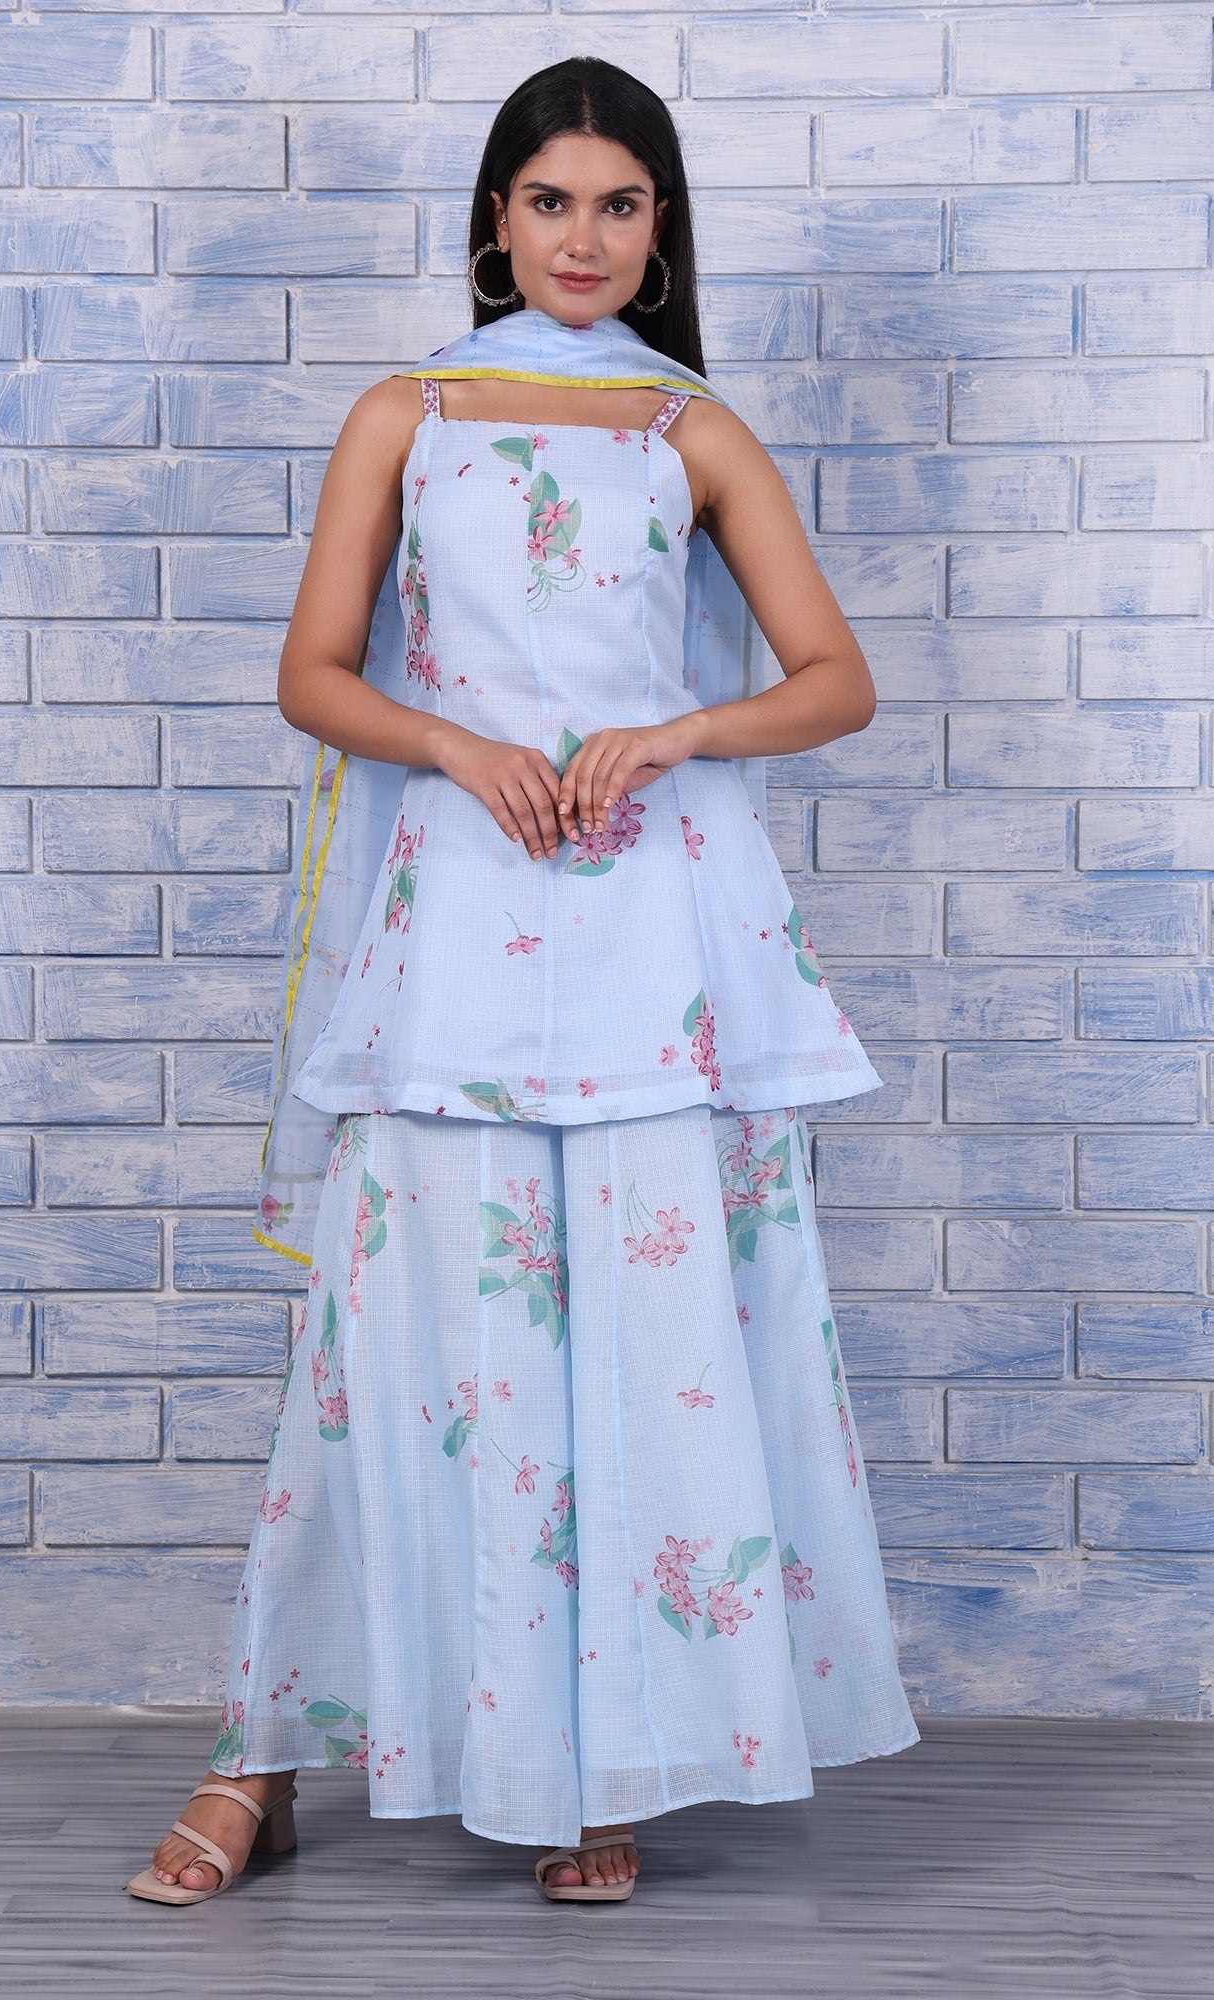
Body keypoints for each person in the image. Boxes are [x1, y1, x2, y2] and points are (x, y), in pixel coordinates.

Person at [126, 54, 919, 1910]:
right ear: (496, 218)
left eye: (619, 204)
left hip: (653, 931)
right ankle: (263, 1754)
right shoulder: (403, 413)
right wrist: (454, 746)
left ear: (661, 231)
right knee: (396, 1342)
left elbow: (835, 680)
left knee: (647, 1347)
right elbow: (314, 673)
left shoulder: (689, 432)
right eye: (550, 201)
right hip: (464, 920)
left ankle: (597, 1765)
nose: (583, 237)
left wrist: (675, 730)